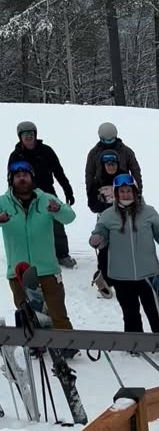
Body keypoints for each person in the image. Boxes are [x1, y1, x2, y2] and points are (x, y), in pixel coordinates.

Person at [89, 173, 159, 334]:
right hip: (121, 276)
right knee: (130, 313)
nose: (125, 194)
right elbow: (100, 236)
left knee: (155, 311)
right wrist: (96, 239)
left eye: (128, 191)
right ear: (115, 194)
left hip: (148, 274)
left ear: (135, 192)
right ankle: (135, 345)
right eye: (121, 192)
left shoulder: (148, 212)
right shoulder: (107, 216)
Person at [0, 160, 75, 333]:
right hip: (19, 272)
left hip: (47, 270)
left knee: (58, 315)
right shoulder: (3, 202)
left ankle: (68, 347)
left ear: (32, 178)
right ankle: (35, 346)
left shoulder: (46, 199)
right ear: (11, 180)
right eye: (18, 176)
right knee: (27, 315)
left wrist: (58, 210)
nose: (22, 179)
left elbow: (70, 217)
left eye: (25, 175)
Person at [8, 120, 76, 268]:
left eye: (31, 134)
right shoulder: (16, 155)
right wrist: (12, 198)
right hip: (25, 195)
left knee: (57, 223)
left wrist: (67, 190)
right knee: (29, 226)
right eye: (25, 134)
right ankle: (31, 256)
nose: (28, 137)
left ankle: (62, 254)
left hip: (47, 192)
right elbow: (11, 178)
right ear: (20, 137)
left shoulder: (46, 151)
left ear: (35, 135)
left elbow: (59, 171)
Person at [87, 150, 127, 298]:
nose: (110, 167)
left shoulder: (125, 177)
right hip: (104, 221)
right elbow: (92, 204)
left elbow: (135, 197)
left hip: (124, 220)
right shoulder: (97, 180)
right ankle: (103, 280)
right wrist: (105, 208)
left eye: (113, 164)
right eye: (107, 164)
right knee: (104, 250)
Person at [85, 122, 142, 201]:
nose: (109, 144)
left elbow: (135, 171)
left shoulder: (126, 151)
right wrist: (90, 194)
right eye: (106, 141)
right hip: (103, 190)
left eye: (111, 140)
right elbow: (89, 174)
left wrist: (138, 192)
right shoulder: (94, 153)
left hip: (123, 188)